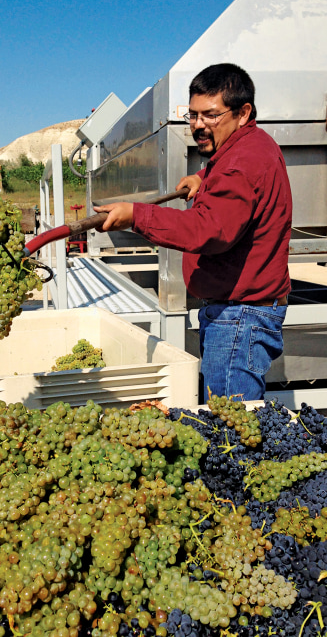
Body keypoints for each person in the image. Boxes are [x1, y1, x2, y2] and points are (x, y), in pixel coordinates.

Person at [93, 63, 292, 401]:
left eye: (210, 115)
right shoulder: (249, 147)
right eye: (193, 115)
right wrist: (204, 180)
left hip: (239, 316)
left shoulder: (241, 162)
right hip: (239, 311)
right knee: (228, 420)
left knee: (231, 428)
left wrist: (138, 216)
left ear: (243, 112)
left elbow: (210, 230)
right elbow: (234, 192)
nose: (199, 125)